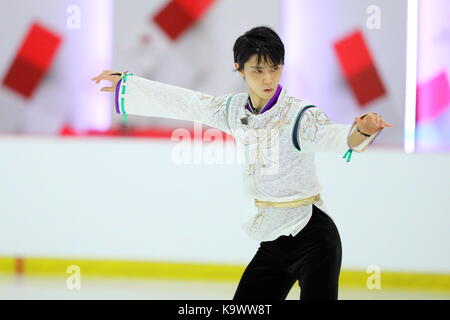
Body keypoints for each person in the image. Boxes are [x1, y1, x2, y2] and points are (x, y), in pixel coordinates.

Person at [91, 25, 392, 300]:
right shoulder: (233, 110)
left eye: (274, 69)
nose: (268, 78)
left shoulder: (300, 115)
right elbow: (191, 104)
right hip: (274, 240)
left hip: (315, 238)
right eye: (258, 70)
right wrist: (129, 87)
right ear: (239, 70)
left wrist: (361, 131)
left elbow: (335, 137)